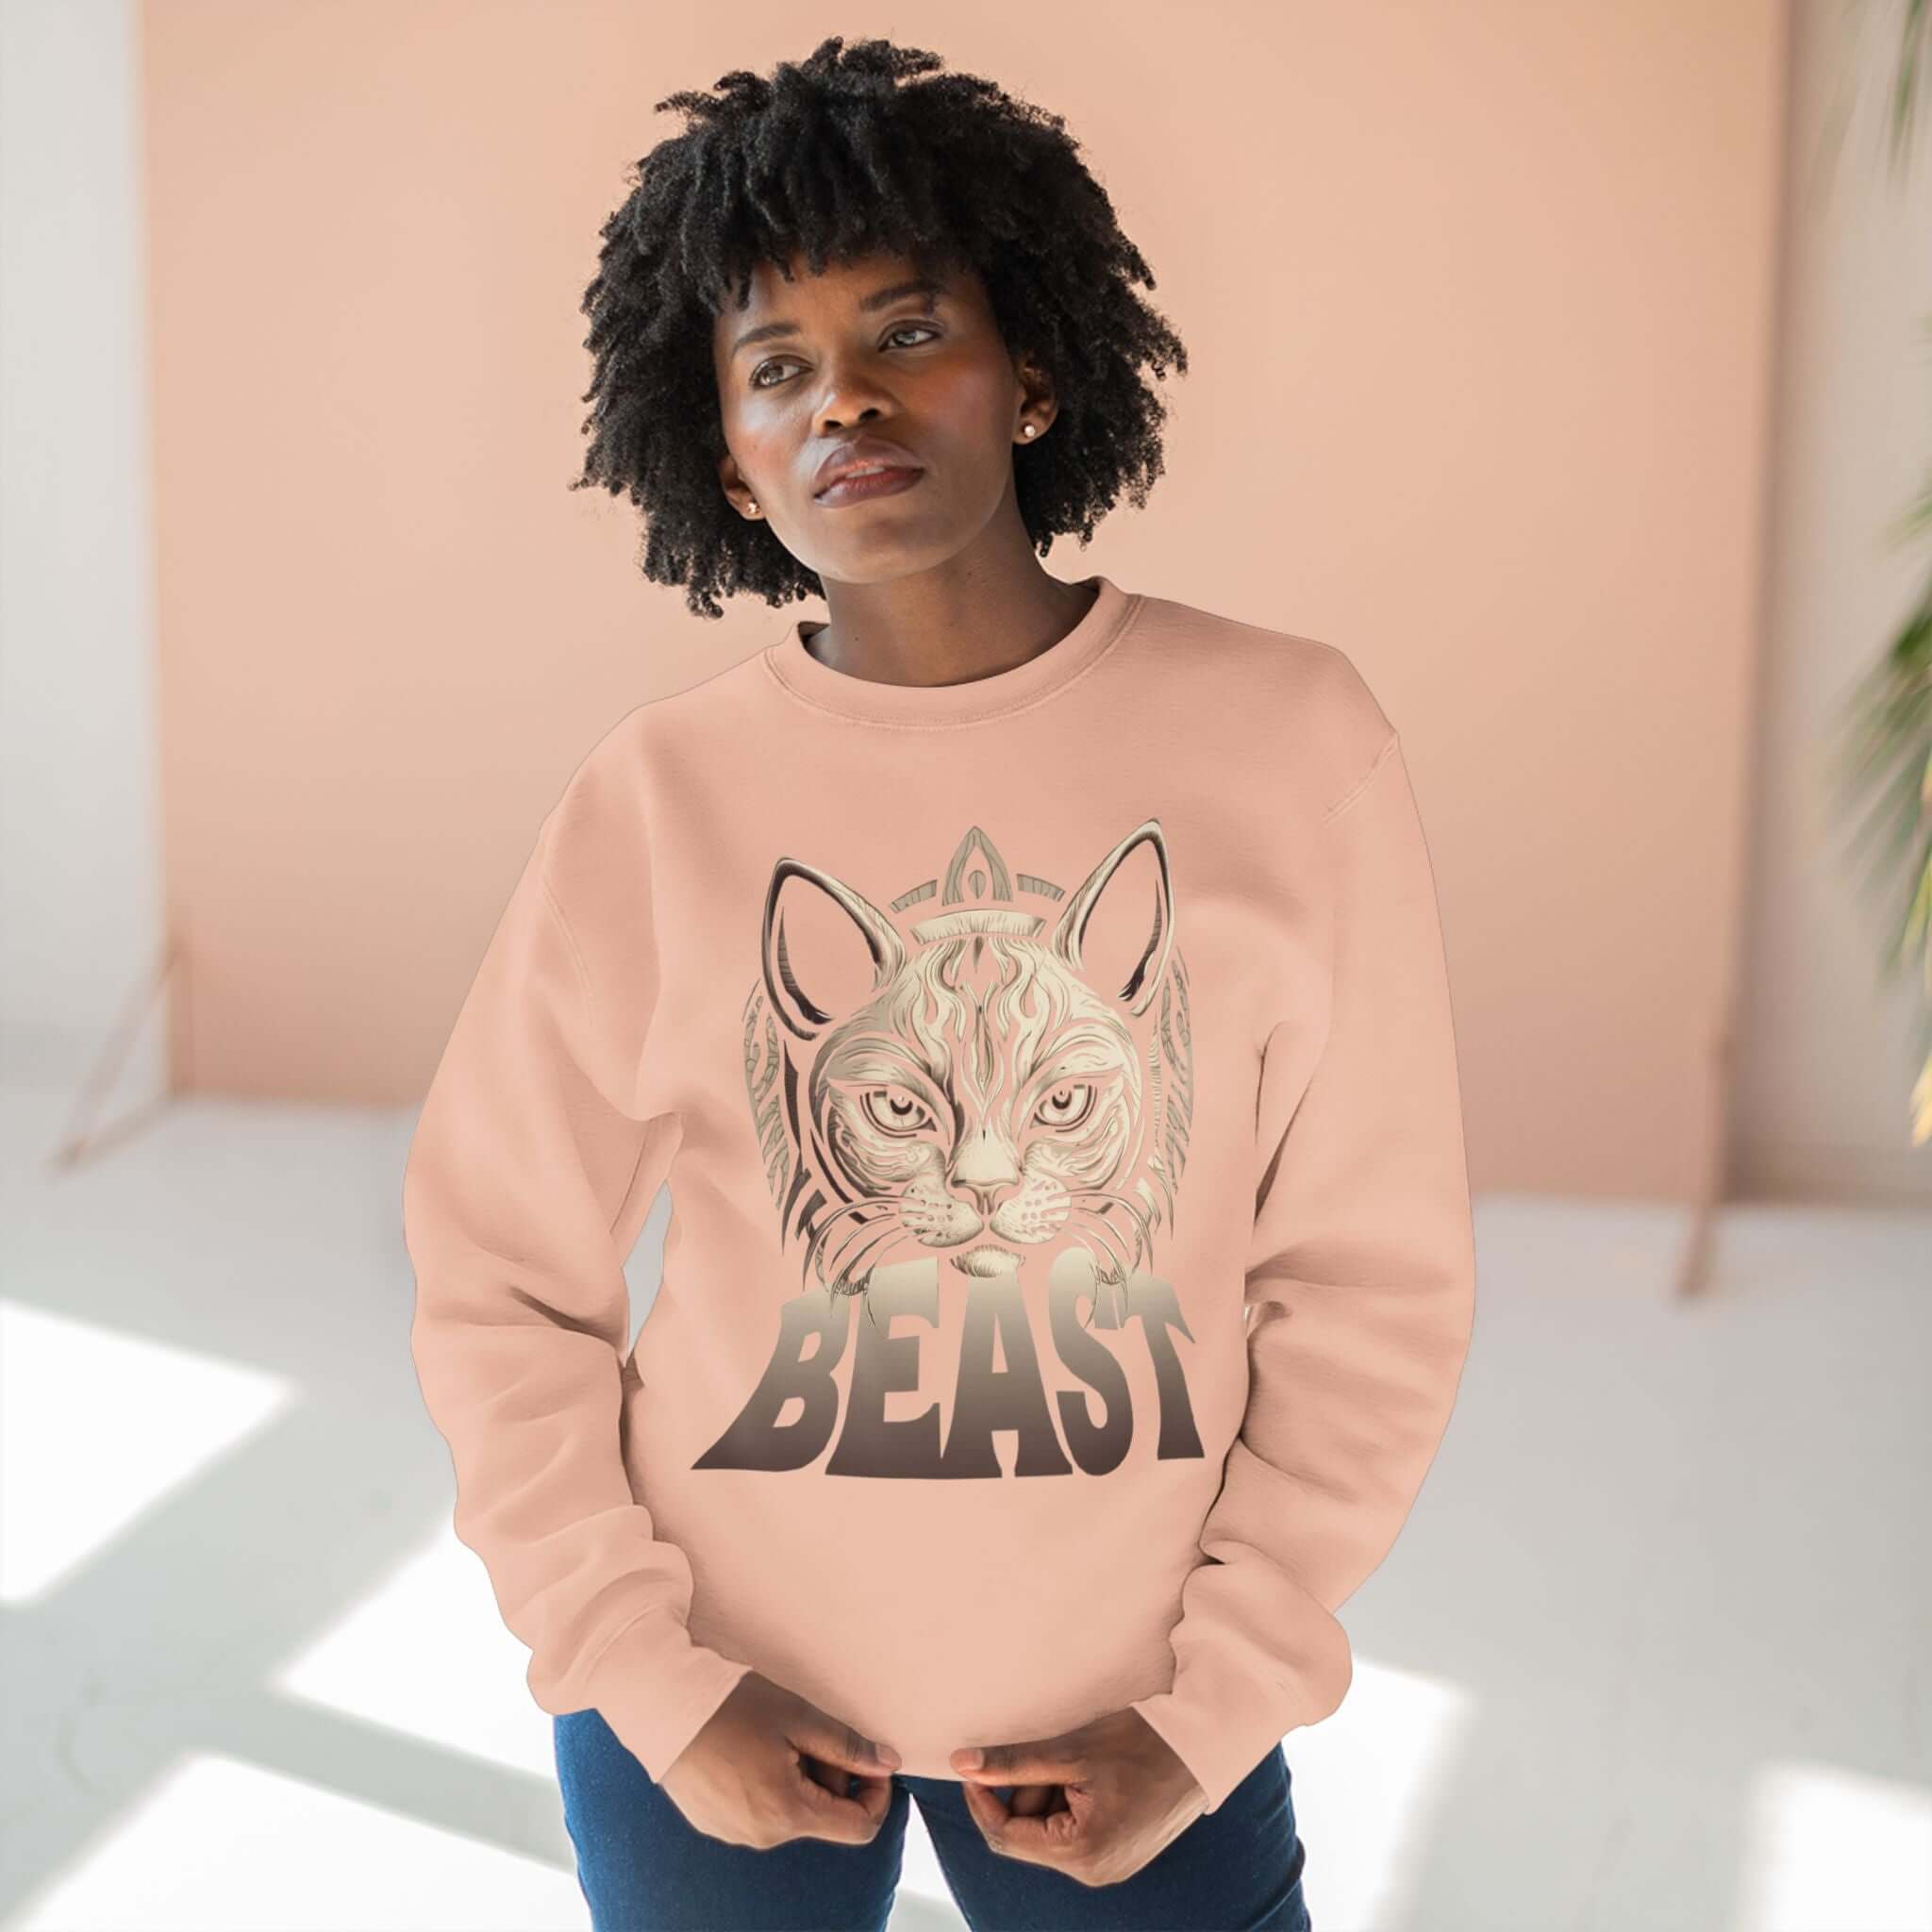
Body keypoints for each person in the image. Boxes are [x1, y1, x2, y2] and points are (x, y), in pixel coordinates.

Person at [401, 34, 1475, 1932]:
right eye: (776, 369)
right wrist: (650, 1675)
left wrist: (1213, 1702)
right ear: (722, 459)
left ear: (1033, 370)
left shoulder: (1289, 742)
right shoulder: (659, 800)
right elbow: (503, 1275)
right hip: (708, 1692)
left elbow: (1367, 1277)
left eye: (908, 330)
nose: (846, 398)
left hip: (1135, 1705)